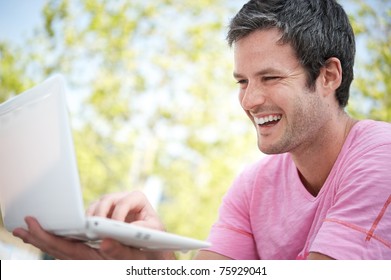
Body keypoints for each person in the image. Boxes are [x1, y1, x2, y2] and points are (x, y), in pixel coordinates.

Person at [13, 0, 391, 260]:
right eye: (242, 81)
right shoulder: (253, 186)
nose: (250, 100)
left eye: (270, 77)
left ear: (328, 76)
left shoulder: (380, 156)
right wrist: (151, 252)